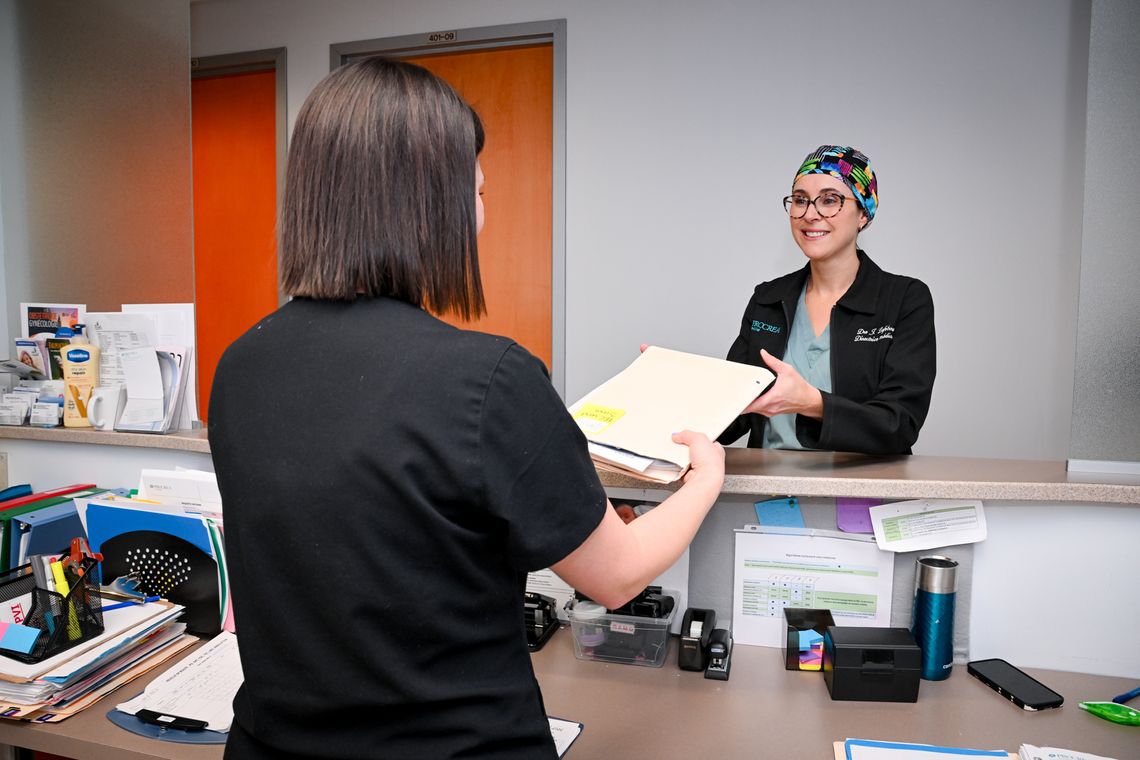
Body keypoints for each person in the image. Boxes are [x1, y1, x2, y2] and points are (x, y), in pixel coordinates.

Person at [208, 57, 725, 759]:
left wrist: (560, 515)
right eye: (477, 189)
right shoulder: (488, 378)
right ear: (429, 203)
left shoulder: (242, 364)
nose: (482, 213)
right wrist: (704, 481)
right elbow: (617, 575)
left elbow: (374, 537)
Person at [719, 146, 935, 454]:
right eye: (800, 199)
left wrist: (813, 404)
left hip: (857, 495)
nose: (810, 214)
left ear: (863, 213)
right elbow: (731, 416)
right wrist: (669, 390)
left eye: (830, 200)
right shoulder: (768, 298)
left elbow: (899, 425)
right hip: (766, 495)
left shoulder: (904, 300)